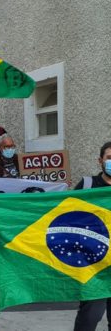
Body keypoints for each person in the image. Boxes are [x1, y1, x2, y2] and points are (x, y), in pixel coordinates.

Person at [73, 141, 111, 331]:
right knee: (90, 317)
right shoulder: (87, 185)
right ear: (100, 161)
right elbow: (68, 218)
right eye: (109, 158)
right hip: (93, 266)